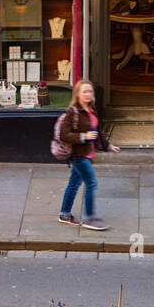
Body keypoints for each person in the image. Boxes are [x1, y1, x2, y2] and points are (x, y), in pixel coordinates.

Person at [58, 79, 120, 230]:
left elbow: (96, 132)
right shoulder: (73, 111)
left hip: (87, 153)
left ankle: (65, 214)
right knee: (92, 183)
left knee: (74, 184)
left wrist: (109, 146)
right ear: (78, 93)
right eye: (84, 91)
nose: (87, 94)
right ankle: (90, 217)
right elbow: (64, 135)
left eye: (90, 91)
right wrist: (83, 137)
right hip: (78, 154)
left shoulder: (91, 110)